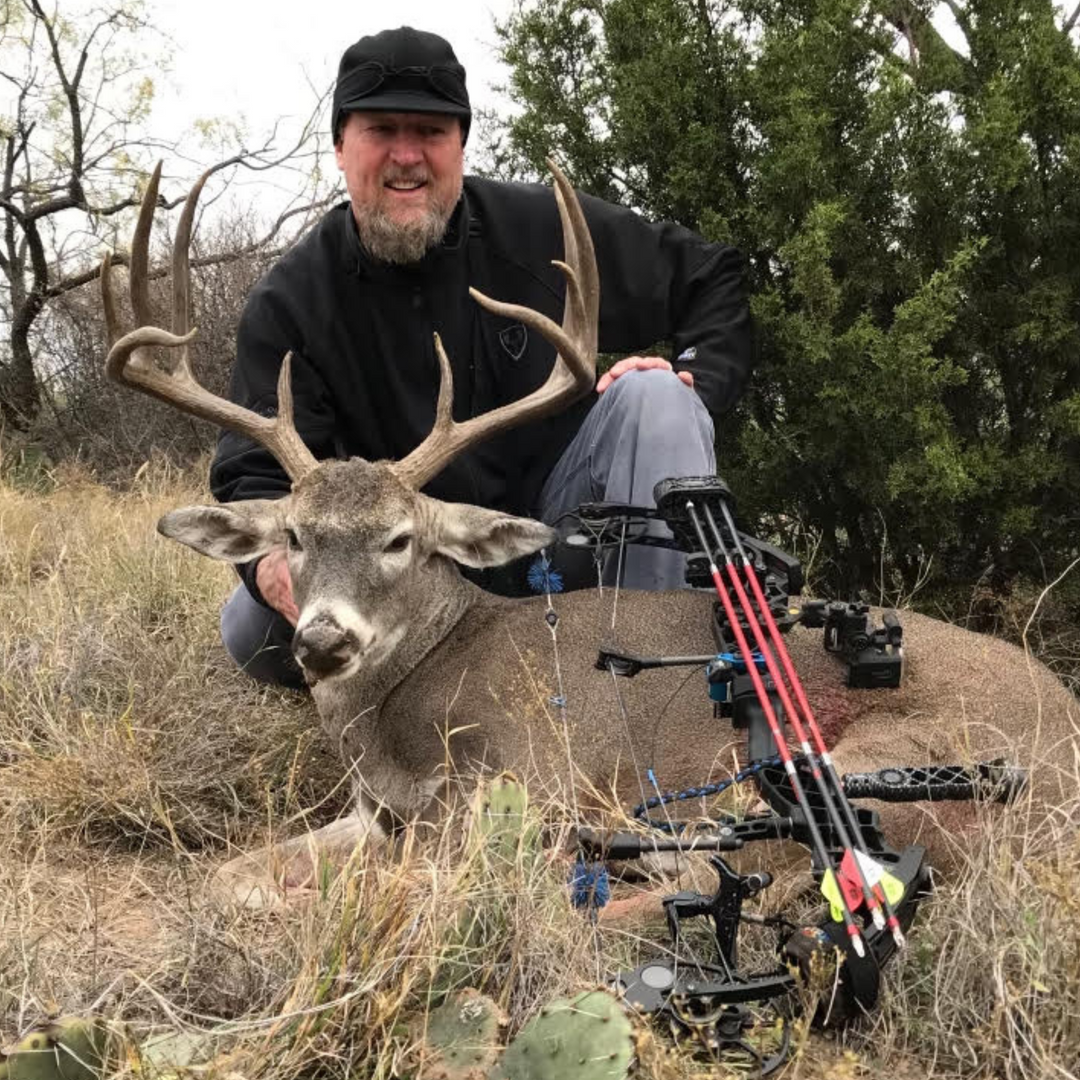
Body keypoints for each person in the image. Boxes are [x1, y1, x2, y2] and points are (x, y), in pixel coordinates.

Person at [211, 26, 754, 687]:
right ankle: (407, 698)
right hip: (397, 567)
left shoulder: (540, 230)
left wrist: (696, 375)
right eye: (382, 130)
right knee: (254, 631)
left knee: (658, 400)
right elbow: (253, 479)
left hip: (555, 542)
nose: (407, 155)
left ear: (461, 145)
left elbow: (712, 276)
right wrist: (287, 575)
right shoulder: (293, 301)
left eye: (432, 132)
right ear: (340, 146)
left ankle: (651, 689)